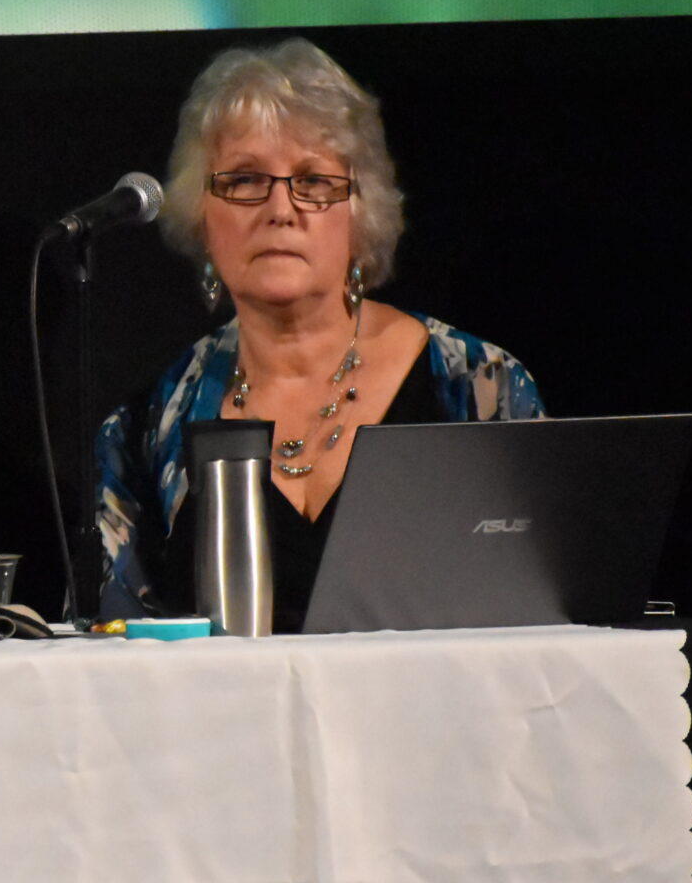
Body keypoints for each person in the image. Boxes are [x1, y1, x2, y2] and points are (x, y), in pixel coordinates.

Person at [96, 38, 544, 631]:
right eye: (246, 180)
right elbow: (122, 652)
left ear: (361, 215)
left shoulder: (481, 388)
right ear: (202, 218)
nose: (281, 209)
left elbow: (544, 622)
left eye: (312, 181)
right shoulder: (144, 431)